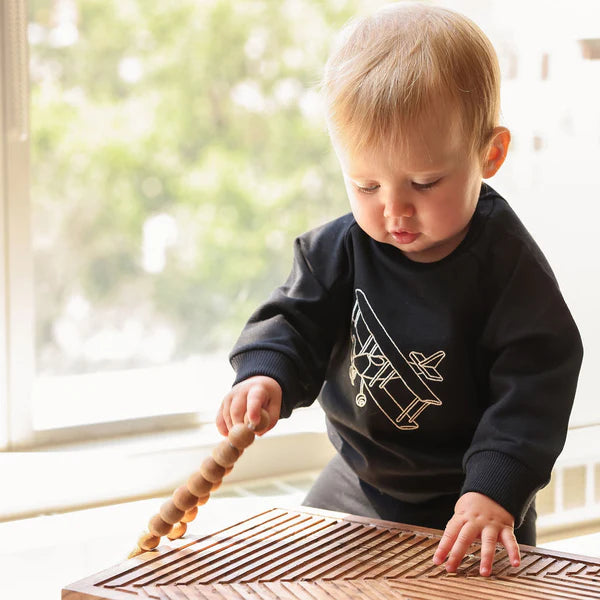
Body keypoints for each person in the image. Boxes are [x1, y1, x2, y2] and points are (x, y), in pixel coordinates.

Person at [216, 2, 583, 577]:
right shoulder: (340, 250)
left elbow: (536, 384)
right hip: (357, 481)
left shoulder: (507, 265)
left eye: (424, 182)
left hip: (472, 500)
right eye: (365, 184)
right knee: (301, 583)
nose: (393, 210)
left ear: (490, 153)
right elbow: (295, 320)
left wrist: (495, 489)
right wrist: (267, 372)